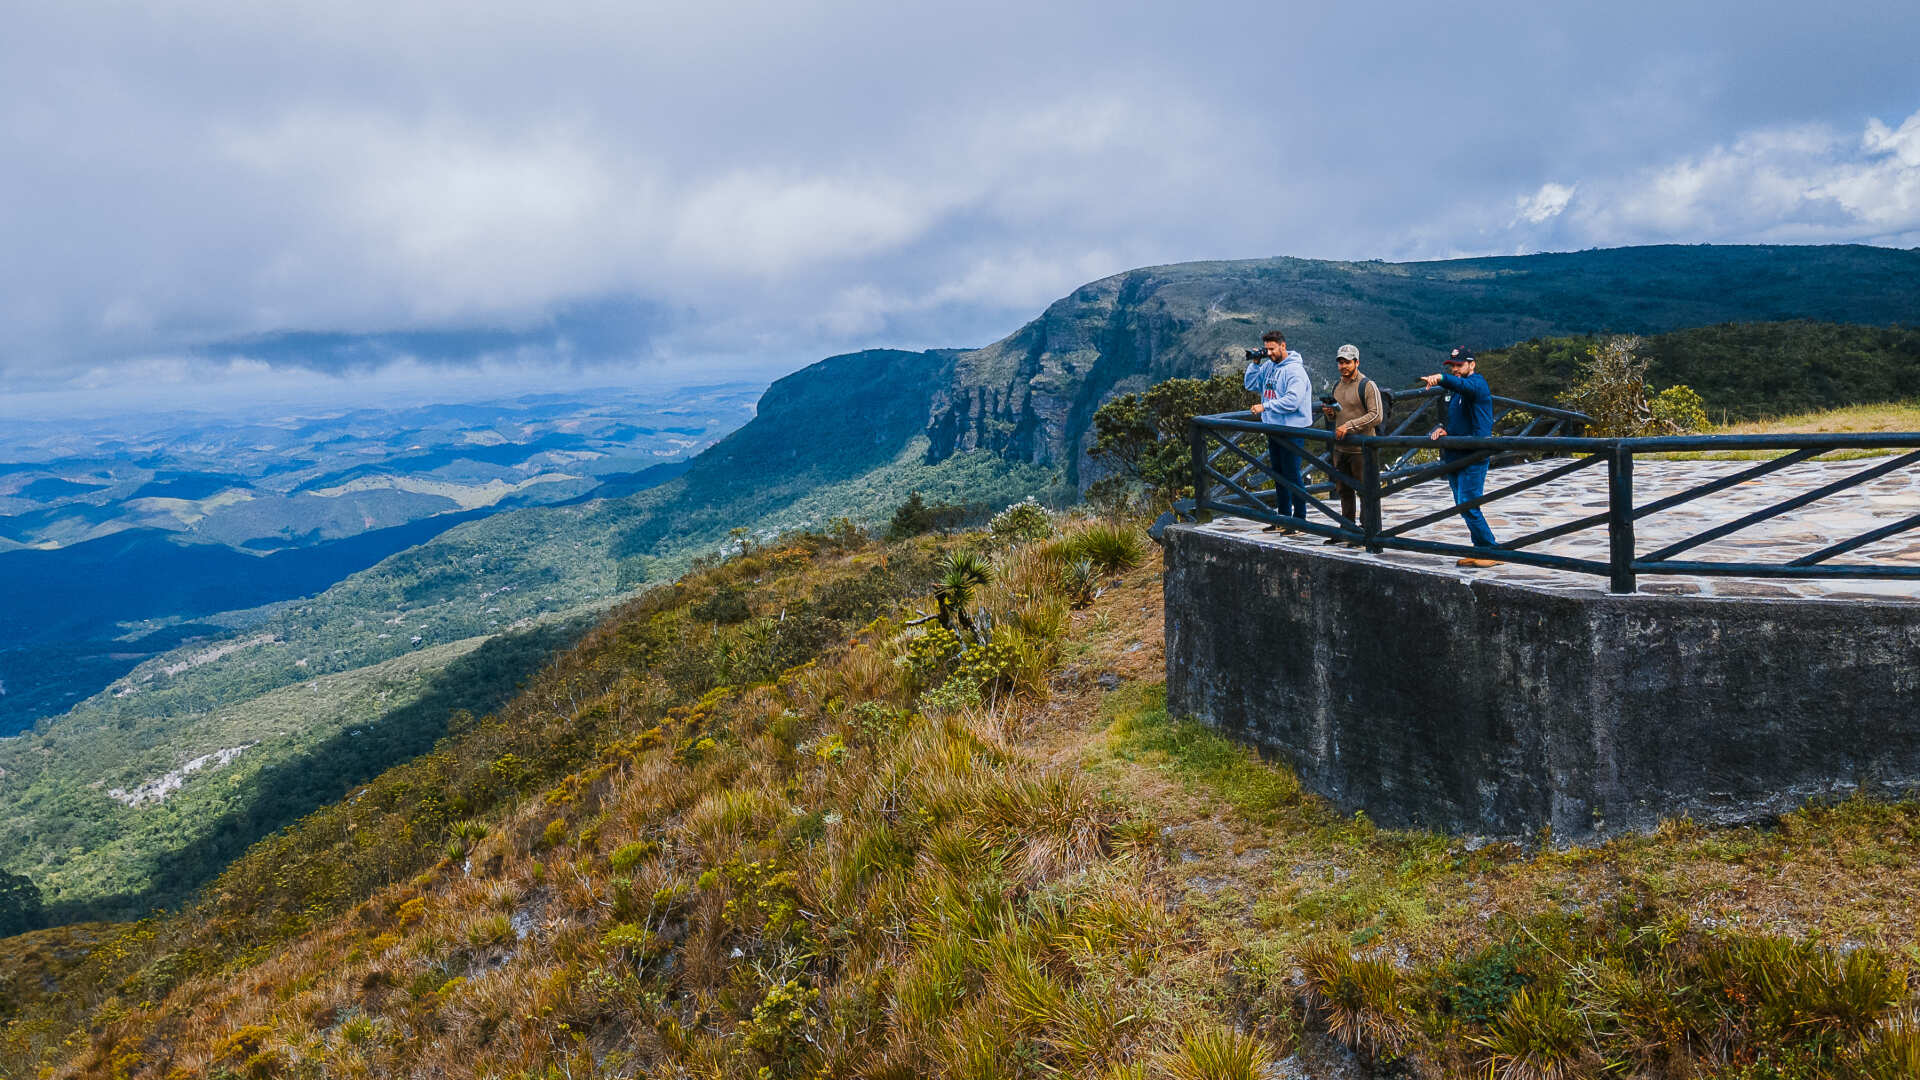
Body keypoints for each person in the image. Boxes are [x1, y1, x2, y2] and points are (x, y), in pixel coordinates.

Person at [1420, 345, 1500, 567]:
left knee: (1468, 503)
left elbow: (1465, 386)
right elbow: (1457, 418)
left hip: (1474, 455)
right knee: (1462, 504)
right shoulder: (1457, 391)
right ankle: (1480, 549)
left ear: (1472, 364)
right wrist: (1445, 430)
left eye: (1459, 365)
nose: (1456, 369)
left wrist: (1441, 378)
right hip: (1456, 454)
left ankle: (1491, 550)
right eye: (1452, 366)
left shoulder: (1477, 384)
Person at [1244, 330, 1312, 532]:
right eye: (1267, 349)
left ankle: (1299, 520)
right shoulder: (1268, 367)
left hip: (1292, 429)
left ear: (1283, 346)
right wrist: (1255, 364)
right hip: (1273, 427)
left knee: (1292, 474)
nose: (1270, 353)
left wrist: (1266, 407)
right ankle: (1283, 517)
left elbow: (1293, 401)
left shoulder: (1295, 371)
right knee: (1279, 474)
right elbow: (1250, 385)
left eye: (1272, 349)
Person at [1319, 343, 1382, 546]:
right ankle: (1347, 527)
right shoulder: (1337, 386)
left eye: (1347, 362)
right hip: (1340, 448)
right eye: (1340, 362)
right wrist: (1330, 413)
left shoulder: (1367, 385)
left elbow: (1376, 415)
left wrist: (1350, 426)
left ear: (1357, 362)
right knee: (1343, 490)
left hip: (1362, 449)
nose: (1343, 366)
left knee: (1365, 490)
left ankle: (1367, 530)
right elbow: (1339, 413)